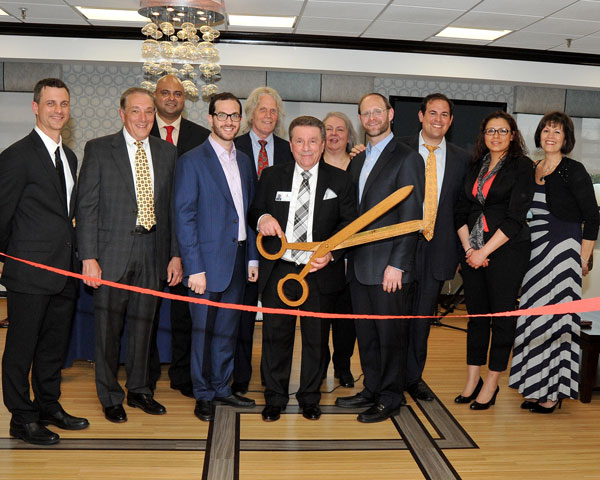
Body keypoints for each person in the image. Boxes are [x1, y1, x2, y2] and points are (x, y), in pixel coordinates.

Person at [76, 87, 182, 423]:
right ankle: (109, 396)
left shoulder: (167, 152)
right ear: (122, 114)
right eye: (135, 110)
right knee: (107, 331)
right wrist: (88, 257)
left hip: (153, 252)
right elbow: (86, 207)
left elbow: (172, 209)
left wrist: (175, 255)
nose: (143, 118)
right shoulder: (98, 149)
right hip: (110, 255)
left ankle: (139, 390)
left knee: (143, 329)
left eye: (149, 111)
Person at [248, 115, 356, 422]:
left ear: (322, 145)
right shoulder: (271, 176)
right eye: (299, 141)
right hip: (280, 270)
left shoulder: (341, 180)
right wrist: (263, 219)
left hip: (319, 272)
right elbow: (255, 209)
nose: (306, 148)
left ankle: (310, 398)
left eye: (312, 141)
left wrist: (332, 253)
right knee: (275, 338)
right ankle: (275, 398)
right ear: (291, 144)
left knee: (316, 340)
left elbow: (349, 224)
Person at [0, 78, 89, 445]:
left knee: (53, 347)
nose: (58, 110)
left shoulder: (70, 157)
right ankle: (21, 418)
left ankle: (48, 405)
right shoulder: (16, 156)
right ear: (35, 107)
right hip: (28, 273)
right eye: (51, 103)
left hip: (64, 270)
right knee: (21, 349)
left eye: (63, 104)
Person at [336, 93, 424, 423]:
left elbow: (411, 216)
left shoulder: (408, 158)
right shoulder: (358, 160)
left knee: (391, 338)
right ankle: (371, 389)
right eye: (366, 113)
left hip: (390, 268)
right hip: (359, 266)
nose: (372, 118)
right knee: (368, 336)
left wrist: (398, 264)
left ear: (390, 114)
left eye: (378, 111)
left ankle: (390, 397)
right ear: (360, 119)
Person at [174, 92, 258, 423]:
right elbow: (185, 217)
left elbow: (248, 213)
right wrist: (194, 267)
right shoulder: (192, 161)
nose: (228, 121)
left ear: (241, 120)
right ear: (210, 119)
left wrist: (252, 258)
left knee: (227, 331)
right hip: (205, 267)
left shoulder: (245, 161)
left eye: (234, 115)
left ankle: (222, 388)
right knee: (203, 334)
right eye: (222, 115)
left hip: (238, 260)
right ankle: (203, 394)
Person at [509, 111, 599, 413]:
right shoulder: (532, 168)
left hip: (563, 252)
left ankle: (554, 392)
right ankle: (535, 386)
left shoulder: (573, 170)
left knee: (557, 320)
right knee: (533, 319)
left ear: (566, 139)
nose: (550, 136)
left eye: (557, 132)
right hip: (535, 253)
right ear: (539, 135)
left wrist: (582, 259)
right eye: (546, 130)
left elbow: (593, 217)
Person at [454, 111, 534, 410]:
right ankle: (472, 379)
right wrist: (470, 250)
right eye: (490, 131)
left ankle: (492, 382)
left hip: (507, 250)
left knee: (501, 318)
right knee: (476, 317)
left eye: (502, 131)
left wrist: (484, 251)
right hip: (472, 250)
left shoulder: (522, 166)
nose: (496, 136)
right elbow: (460, 211)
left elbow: (516, 218)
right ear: (483, 135)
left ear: (512, 135)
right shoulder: (475, 165)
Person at [397, 94, 470, 401]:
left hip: (438, 250)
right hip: (399, 248)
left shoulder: (463, 159)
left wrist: (460, 252)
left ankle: (413, 379)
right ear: (421, 116)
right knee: (395, 317)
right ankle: (388, 379)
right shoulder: (397, 148)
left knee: (422, 319)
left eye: (444, 115)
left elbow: (463, 209)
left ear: (450, 121)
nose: (437, 119)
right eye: (432, 113)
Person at [148, 74, 210, 398]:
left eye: (178, 93)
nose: (171, 98)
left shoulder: (201, 136)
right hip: (148, 238)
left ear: (185, 99)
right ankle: (145, 375)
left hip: (189, 237)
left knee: (185, 314)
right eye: (165, 93)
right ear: (155, 96)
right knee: (146, 311)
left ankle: (183, 374)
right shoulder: (141, 130)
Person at [232, 86, 293, 395]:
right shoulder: (234, 145)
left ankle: (273, 380)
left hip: (277, 248)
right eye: (263, 109)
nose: (268, 115)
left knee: (276, 320)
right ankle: (240, 378)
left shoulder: (289, 149)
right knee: (242, 317)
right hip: (240, 245)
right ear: (250, 114)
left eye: (273, 110)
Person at [320, 111, 359, 388]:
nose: (334, 134)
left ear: (349, 136)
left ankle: (343, 366)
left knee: (348, 318)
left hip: (354, 254)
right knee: (319, 318)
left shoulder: (361, 164)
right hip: (321, 254)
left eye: (340, 129)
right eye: (329, 129)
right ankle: (319, 365)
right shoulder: (311, 164)